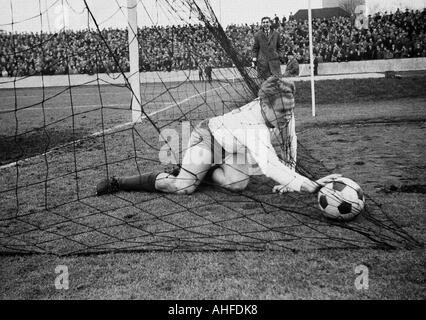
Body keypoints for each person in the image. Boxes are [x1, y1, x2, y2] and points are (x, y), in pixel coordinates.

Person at [96, 76, 339, 197]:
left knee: (237, 184)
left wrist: (290, 177)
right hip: (208, 137)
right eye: (283, 111)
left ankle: (207, 171)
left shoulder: (285, 112)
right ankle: (121, 181)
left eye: (291, 109)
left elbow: (290, 141)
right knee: (184, 187)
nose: (288, 115)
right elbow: (270, 165)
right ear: (263, 105)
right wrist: (311, 187)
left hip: (234, 148)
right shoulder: (253, 125)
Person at [252, 17, 283, 81]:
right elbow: (255, 48)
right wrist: (254, 59)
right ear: (261, 24)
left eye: (267, 22)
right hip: (262, 63)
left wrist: (279, 55)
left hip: (274, 62)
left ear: (270, 23)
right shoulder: (257, 35)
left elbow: (280, 47)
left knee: (276, 83)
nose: (265, 24)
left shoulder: (276, 34)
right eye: (263, 22)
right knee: (264, 85)